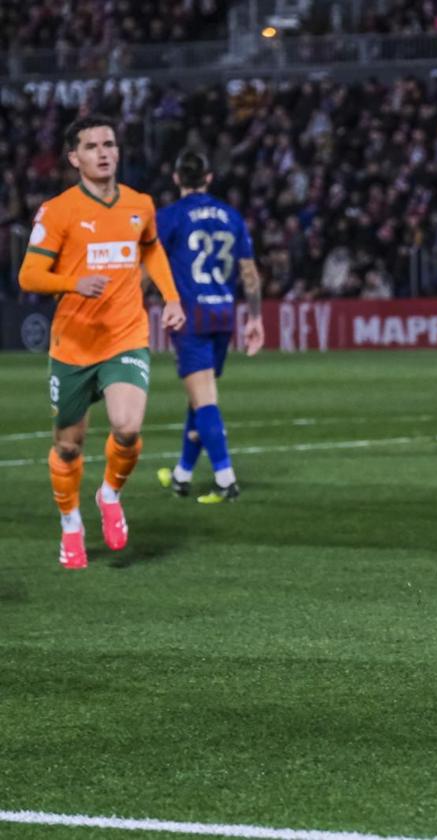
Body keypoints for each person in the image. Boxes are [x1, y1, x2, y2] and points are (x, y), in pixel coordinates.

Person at [17, 114, 185, 569]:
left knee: (127, 428)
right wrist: (73, 282)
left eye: (109, 143)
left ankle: (109, 494)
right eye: (91, 147)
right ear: (74, 158)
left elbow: (150, 246)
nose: (104, 152)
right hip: (72, 345)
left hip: (125, 336)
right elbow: (29, 273)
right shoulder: (58, 211)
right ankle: (71, 524)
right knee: (68, 446)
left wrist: (171, 297)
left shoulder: (139, 204)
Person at [155, 150, 265, 502]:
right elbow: (249, 273)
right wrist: (256, 317)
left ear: (176, 178)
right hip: (223, 314)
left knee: (203, 401)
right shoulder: (231, 216)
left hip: (190, 315)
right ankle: (181, 475)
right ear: (209, 177)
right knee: (200, 395)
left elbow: (146, 266)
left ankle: (225, 479)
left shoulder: (169, 217)